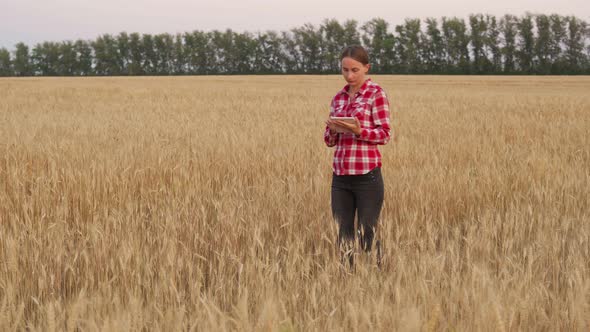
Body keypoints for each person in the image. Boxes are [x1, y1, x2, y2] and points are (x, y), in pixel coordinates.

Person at [324, 45, 392, 267]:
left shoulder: (376, 95)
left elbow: (384, 134)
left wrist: (358, 131)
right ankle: (347, 282)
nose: (349, 75)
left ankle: (380, 277)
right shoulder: (338, 98)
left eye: (354, 70)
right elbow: (329, 141)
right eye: (344, 70)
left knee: (366, 235)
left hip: (367, 177)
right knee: (343, 235)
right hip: (340, 178)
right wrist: (333, 129)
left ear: (366, 68)